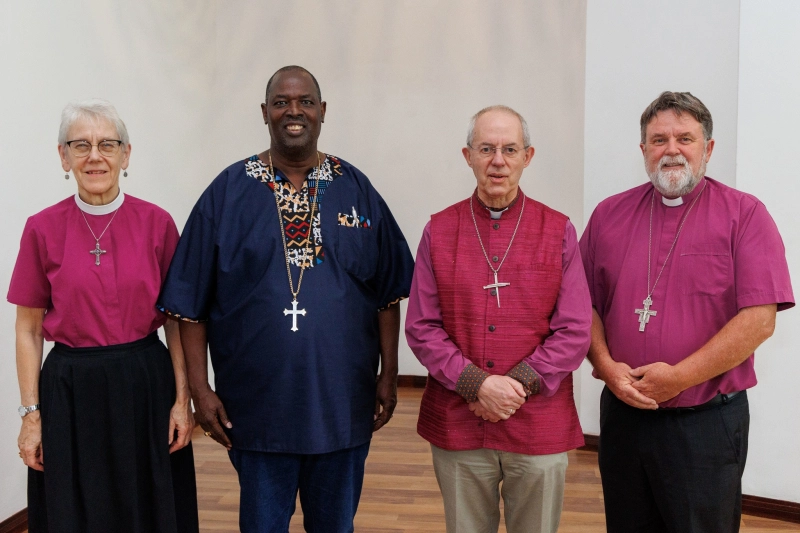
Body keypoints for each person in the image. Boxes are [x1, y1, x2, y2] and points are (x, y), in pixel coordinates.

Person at [156, 65, 414, 533]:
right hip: (255, 411)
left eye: (305, 101)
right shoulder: (227, 193)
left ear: (322, 112)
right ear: (264, 112)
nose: (293, 111)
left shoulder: (356, 189)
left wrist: (389, 374)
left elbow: (387, 295)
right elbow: (187, 305)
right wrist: (199, 389)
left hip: (342, 406)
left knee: (335, 526)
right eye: (281, 102)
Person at [580, 91, 794, 533]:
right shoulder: (608, 215)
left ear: (708, 149)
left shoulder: (745, 215)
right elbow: (582, 306)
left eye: (685, 138)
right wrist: (606, 367)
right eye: (658, 140)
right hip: (623, 415)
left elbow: (760, 318)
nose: (671, 149)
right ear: (643, 151)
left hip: (705, 423)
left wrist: (679, 377)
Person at [9, 99, 199, 533]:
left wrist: (181, 400)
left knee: (151, 507)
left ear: (126, 154)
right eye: (81, 145)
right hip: (71, 389)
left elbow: (176, 322)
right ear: (64, 156)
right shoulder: (41, 228)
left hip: (146, 383)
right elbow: (28, 328)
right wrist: (31, 416)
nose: (95, 156)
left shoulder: (158, 223)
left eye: (107, 144)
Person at [405, 105, 592, 533]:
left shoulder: (558, 229)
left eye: (510, 149)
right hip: (458, 421)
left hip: (539, 424)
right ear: (467, 155)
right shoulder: (439, 229)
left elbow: (575, 330)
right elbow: (421, 327)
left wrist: (512, 388)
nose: (498, 161)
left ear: (528, 156)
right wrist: (478, 385)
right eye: (486, 148)